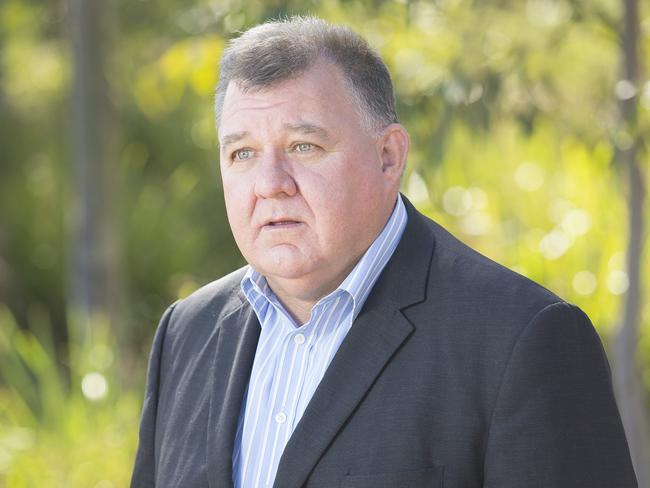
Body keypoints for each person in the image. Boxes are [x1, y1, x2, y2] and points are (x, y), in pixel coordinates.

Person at [130, 16, 638, 488]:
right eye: (242, 153)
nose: (270, 184)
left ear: (388, 156)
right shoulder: (186, 333)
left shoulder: (522, 339)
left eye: (304, 146)